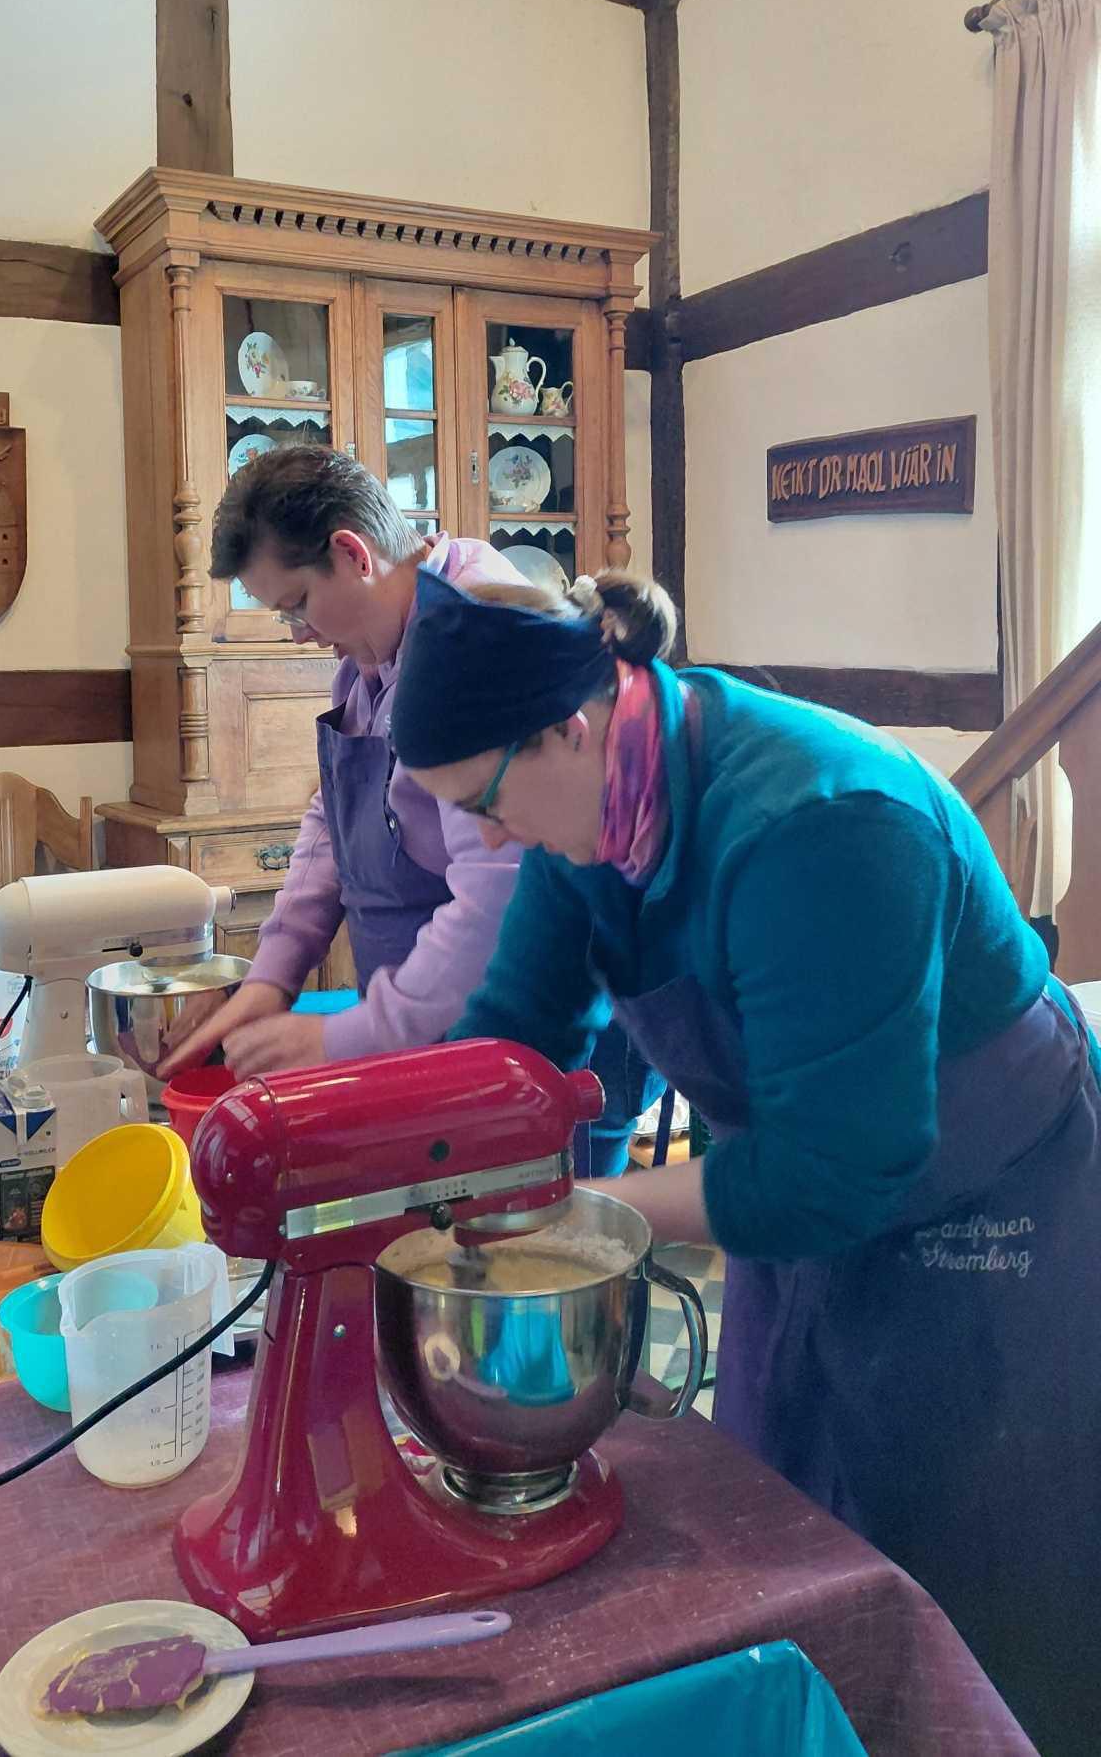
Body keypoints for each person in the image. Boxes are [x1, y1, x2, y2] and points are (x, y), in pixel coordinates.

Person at [389, 563, 1101, 1757]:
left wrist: (580, 1210)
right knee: (790, 1509)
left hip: (985, 1202)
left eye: (488, 805)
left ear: (572, 725)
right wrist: (420, 1161)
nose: (486, 839)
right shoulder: (589, 812)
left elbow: (838, 1169)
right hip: (793, 1183)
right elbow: (516, 1034)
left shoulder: (823, 822)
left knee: (976, 1560)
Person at [160, 445, 658, 1168]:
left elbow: (497, 894)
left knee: (552, 1250)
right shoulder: (368, 658)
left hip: (533, 1031)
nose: (298, 633)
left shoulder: (469, 639)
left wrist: (348, 1036)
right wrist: (271, 975)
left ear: (352, 553)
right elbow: (332, 818)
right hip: (434, 1030)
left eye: (297, 604)